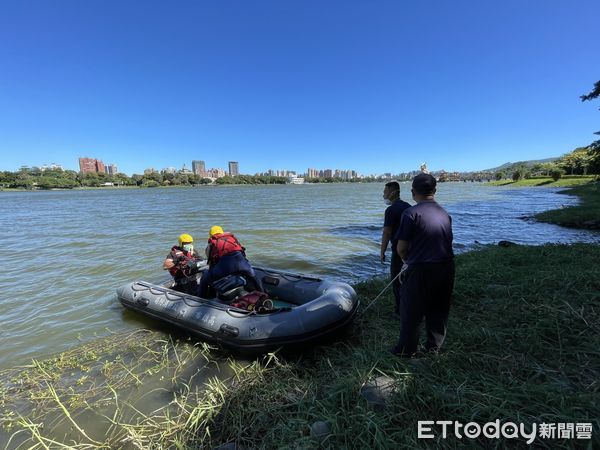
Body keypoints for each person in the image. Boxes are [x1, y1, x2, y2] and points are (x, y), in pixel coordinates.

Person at [391, 173, 455, 357]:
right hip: (446, 266)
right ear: (434, 191)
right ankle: (433, 348)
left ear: (413, 192)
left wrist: (406, 261)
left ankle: (405, 350)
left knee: (410, 310)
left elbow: (401, 248)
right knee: (439, 309)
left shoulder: (411, 213)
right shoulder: (444, 213)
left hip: (420, 269)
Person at [197, 226, 263, 298]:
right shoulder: (232, 239)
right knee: (254, 276)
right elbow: (243, 253)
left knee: (205, 277)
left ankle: (201, 299)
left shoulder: (212, 244)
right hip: (242, 264)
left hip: (227, 267)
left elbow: (211, 263)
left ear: (211, 235)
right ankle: (263, 293)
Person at [380, 181, 411, 314]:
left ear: (393, 193)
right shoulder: (409, 207)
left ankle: (400, 311)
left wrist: (382, 252)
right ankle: (411, 306)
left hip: (398, 251)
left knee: (396, 281)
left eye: (385, 192)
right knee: (408, 281)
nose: (383, 195)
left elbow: (387, 233)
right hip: (411, 249)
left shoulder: (390, 210)